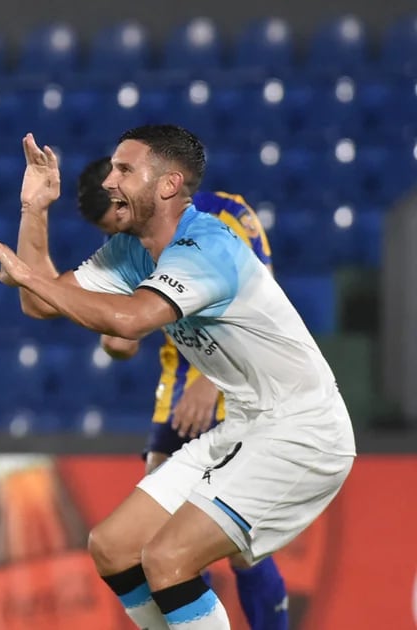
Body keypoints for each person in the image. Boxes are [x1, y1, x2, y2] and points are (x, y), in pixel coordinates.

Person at [0, 125, 354, 629]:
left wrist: (30, 275)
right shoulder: (132, 250)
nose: (110, 180)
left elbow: (129, 320)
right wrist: (35, 209)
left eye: (125, 169)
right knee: (113, 548)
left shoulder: (205, 245)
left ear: (169, 184)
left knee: (169, 560)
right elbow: (39, 301)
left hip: (303, 432)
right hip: (244, 425)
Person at [76, 157, 289, 629]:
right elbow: (122, 344)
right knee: (158, 543)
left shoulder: (228, 216)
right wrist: (114, 329)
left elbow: (260, 305)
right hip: (176, 386)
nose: (120, 232)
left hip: (238, 383)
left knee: (240, 548)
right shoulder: (130, 241)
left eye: (118, 218)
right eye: (111, 228)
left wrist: (208, 381)